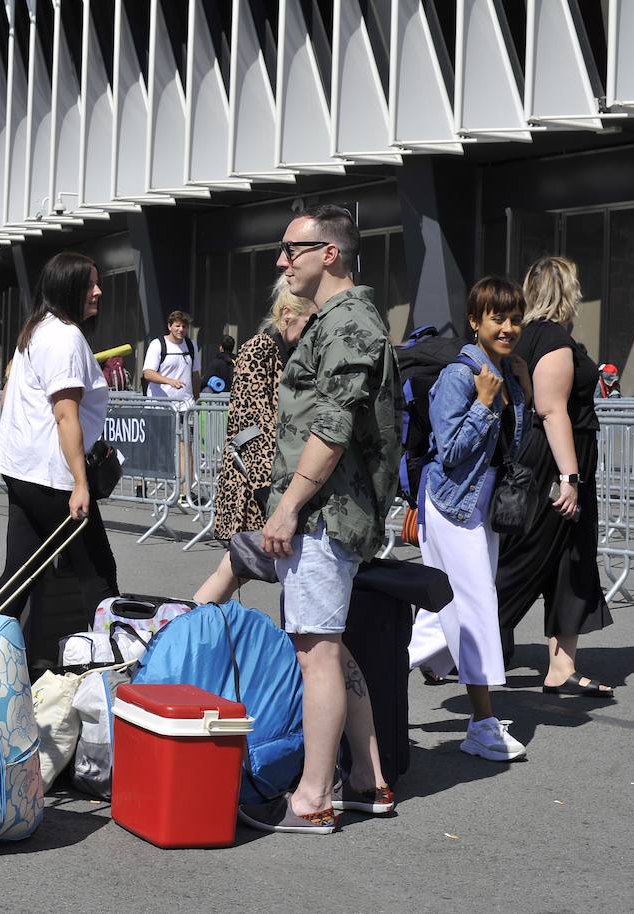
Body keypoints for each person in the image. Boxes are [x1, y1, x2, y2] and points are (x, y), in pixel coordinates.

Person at [238, 204, 401, 836]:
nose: (282, 262)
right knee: (329, 646)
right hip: (330, 511)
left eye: (291, 250)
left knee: (316, 652)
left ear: (327, 253)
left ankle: (313, 796)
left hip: (326, 514)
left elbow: (332, 425)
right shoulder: (338, 320)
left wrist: (287, 506)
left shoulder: (349, 321)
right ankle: (367, 778)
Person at [407, 277, 530, 762]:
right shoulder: (461, 377)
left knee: (444, 614)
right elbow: (452, 451)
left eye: (515, 318)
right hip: (453, 503)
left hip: (481, 506)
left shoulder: (503, 373)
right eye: (497, 318)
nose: (507, 327)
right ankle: (481, 725)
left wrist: (515, 391)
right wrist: (483, 403)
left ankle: (358, 677)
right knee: (476, 607)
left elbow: (511, 448)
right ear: (475, 321)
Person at [495, 256, 615, 696]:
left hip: (546, 461)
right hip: (555, 462)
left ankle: (561, 666)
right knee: (525, 560)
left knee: (571, 559)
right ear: (567, 290)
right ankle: (451, 645)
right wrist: (570, 477)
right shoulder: (554, 339)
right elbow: (551, 409)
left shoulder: (526, 338)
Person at [0, 251, 118, 656]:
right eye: (89, 284)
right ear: (68, 288)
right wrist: (81, 483)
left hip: (23, 470)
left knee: (19, 574)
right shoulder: (66, 336)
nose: (98, 292)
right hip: (53, 478)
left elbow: (8, 396)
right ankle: (110, 665)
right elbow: (66, 416)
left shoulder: (37, 328)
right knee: (98, 573)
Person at [194, 278, 316, 603]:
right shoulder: (260, 349)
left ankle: (192, 622)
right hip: (256, 483)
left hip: (267, 478)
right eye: (308, 321)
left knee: (241, 568)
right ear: (288, 313)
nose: (310, 331)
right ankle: (189, 625)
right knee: (237, 566)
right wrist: (267, 491)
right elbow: (252, 425)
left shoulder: (287, 350)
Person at [142, 311, 201, 500]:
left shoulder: (191, 346)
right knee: (154, 447)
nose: (181, 329)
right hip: (160, 406)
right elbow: (148, 373)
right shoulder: (157, 345)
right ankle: (140, 483)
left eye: (184, 326)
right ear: (169, 326)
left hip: (185, 406)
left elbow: (195, 374)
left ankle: (186, 493)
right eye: (177, 325)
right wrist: (169, 381)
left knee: (187, 447)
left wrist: (196, 398)